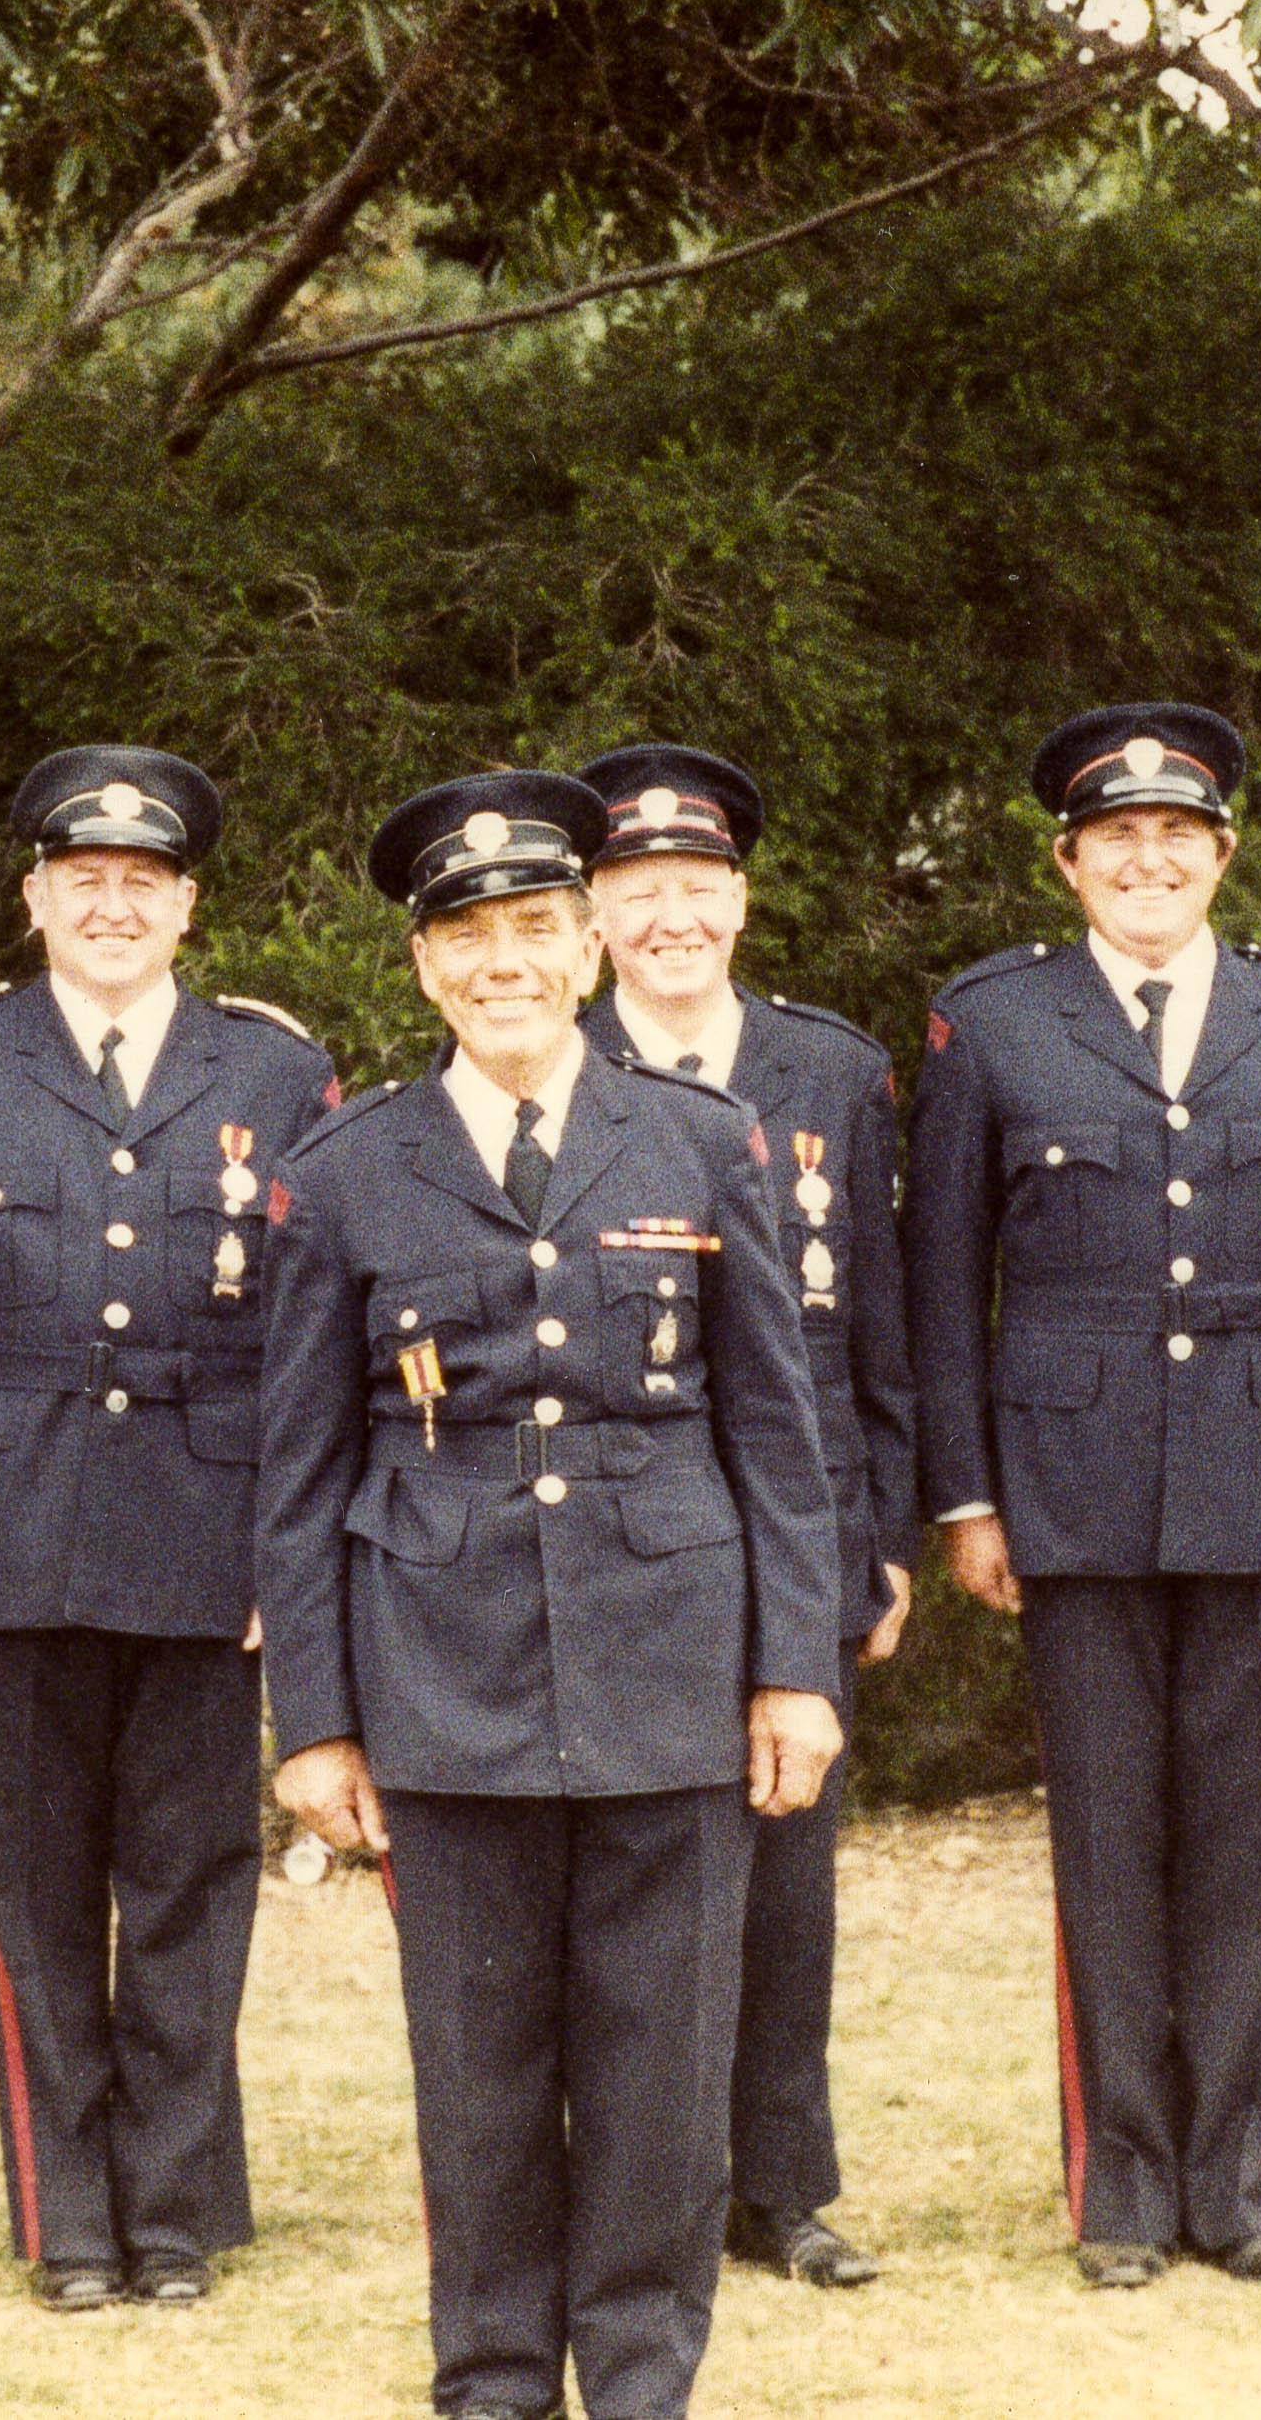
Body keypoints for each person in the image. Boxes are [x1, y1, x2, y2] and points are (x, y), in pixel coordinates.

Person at [260, 770, 842, 2420]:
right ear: (426, 964)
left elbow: (777, 1437)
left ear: (586, 942)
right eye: (466, 934)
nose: (501, 960)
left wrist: (795, 1670)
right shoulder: (347, 1169)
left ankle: (644, 2379)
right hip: (444, 1681)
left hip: (672, 1663)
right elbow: (296, 1475)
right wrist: (316, 1722)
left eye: (532, 925)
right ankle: (497, 2379)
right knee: (481, 2073)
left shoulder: (704, 1139)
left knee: (664, 2075)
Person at [901, 703, 1261, 2289]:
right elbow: (939, 1286)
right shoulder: (991, 1022)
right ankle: (1124, 2189)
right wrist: (968, 1495)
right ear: (1069, 861)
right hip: (1073, 1485)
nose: (1148, 861)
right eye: (1115, 840)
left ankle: (1249, 2189)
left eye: (1176, 837)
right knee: (1108, 1842)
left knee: (1248, 1842)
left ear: (1221, 855)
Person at [0, 744, 338, 2311]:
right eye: (86, 882)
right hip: (17, 1532)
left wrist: (291, 1552)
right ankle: (72, 2209)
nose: (113, 908)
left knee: (193, 1877)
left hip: (209, 1537)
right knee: (44, 1882)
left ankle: (176, 2203)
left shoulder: (273, 1074)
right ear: (36, 898)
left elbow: (309, 1343)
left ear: (188, 903)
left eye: (144, 883)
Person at [572, 742, 918, 2291]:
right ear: (589, 914)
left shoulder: (831, 1071)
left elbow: (884, 1331)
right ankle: (630, 2182)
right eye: (638, 890)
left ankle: (781, 2185)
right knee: (624, 1871)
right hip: (614, 1531)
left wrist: (886, 1531)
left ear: (742, 900)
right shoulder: (537, 1055)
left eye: (697, 886)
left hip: (800, 1520)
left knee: (788, 1874)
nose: (671, 916)